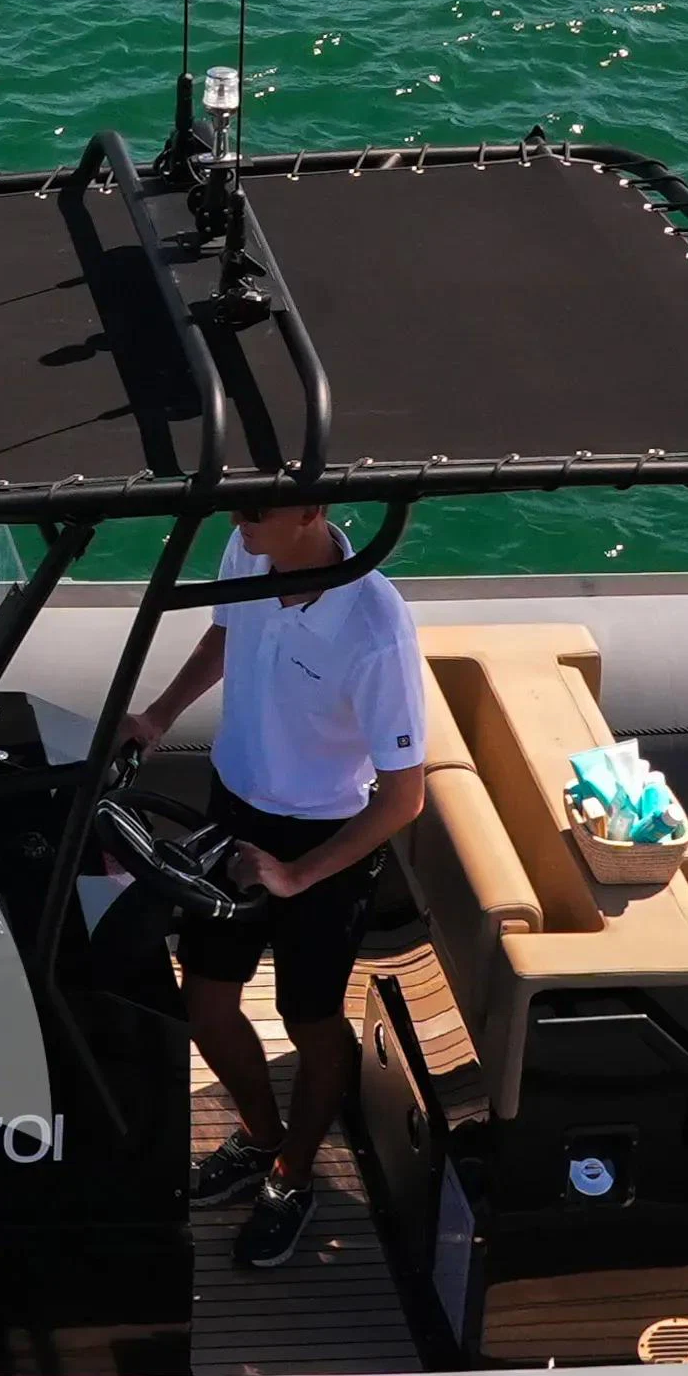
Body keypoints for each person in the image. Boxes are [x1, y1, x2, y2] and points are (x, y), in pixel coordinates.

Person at [117, 500, 430, 1270]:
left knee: (308, 1016)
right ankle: (260, 1137)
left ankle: (293, 1177)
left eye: (255, 510)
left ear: (312, 513)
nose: (239, 521)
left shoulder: (375, 632)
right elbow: (226, 632)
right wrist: (157, 716)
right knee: (207, 999)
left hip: (324, 839)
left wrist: (297, 875)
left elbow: (403, 797)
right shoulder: (245, 549)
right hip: (234, 809)